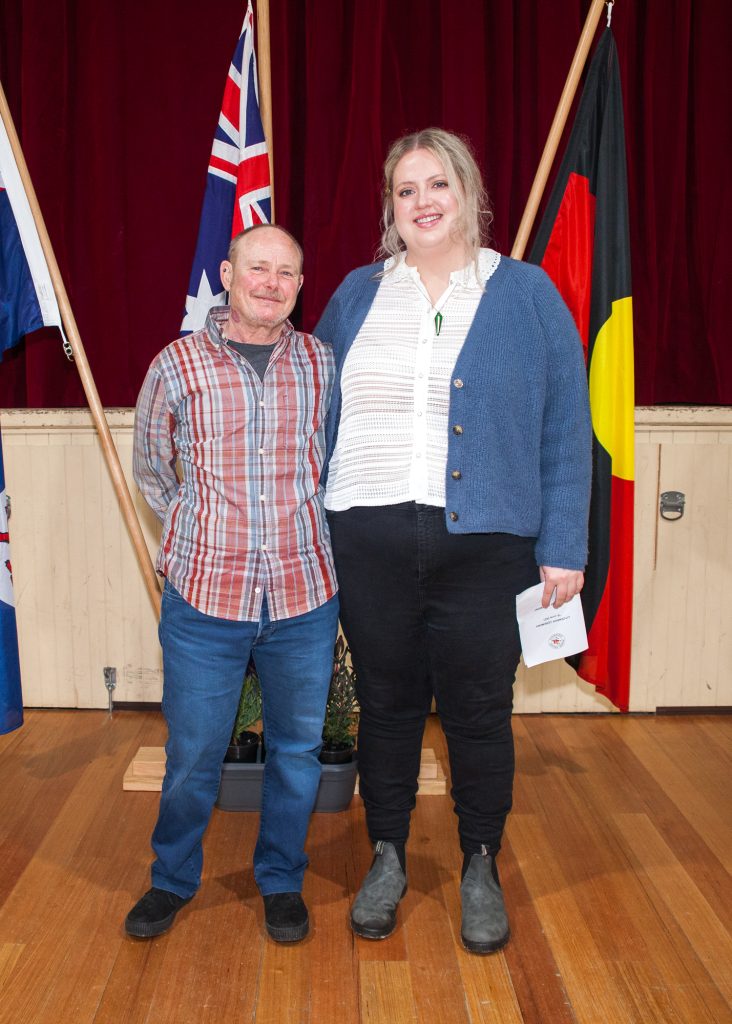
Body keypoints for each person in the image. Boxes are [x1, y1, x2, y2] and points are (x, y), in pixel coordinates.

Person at [315, 128, 591, 954]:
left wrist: (565, 543)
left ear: (469, 192)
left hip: (487, 545)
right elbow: (314, 410)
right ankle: (388, 855)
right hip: (366, 532)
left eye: (438, 184)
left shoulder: (528, 293)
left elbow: (565, 430)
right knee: (388, 707)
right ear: (390, 207)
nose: (423, 202)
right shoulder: (357, 295)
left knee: (478, 711)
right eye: (406, 190)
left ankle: (479, 863)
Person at [126, 224, 339, 944]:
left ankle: (281, 879)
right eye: (258, 268)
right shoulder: (177, 364)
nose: (272, 282)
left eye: (286, 272)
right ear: (227, 272)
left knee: (297, 752)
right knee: (192, 754)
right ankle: (171, 879)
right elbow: (153, 470)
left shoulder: (321, 364)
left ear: (300, 286)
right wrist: (193, 530)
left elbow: (333, 463)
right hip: (205, 600)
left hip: (303, 597)